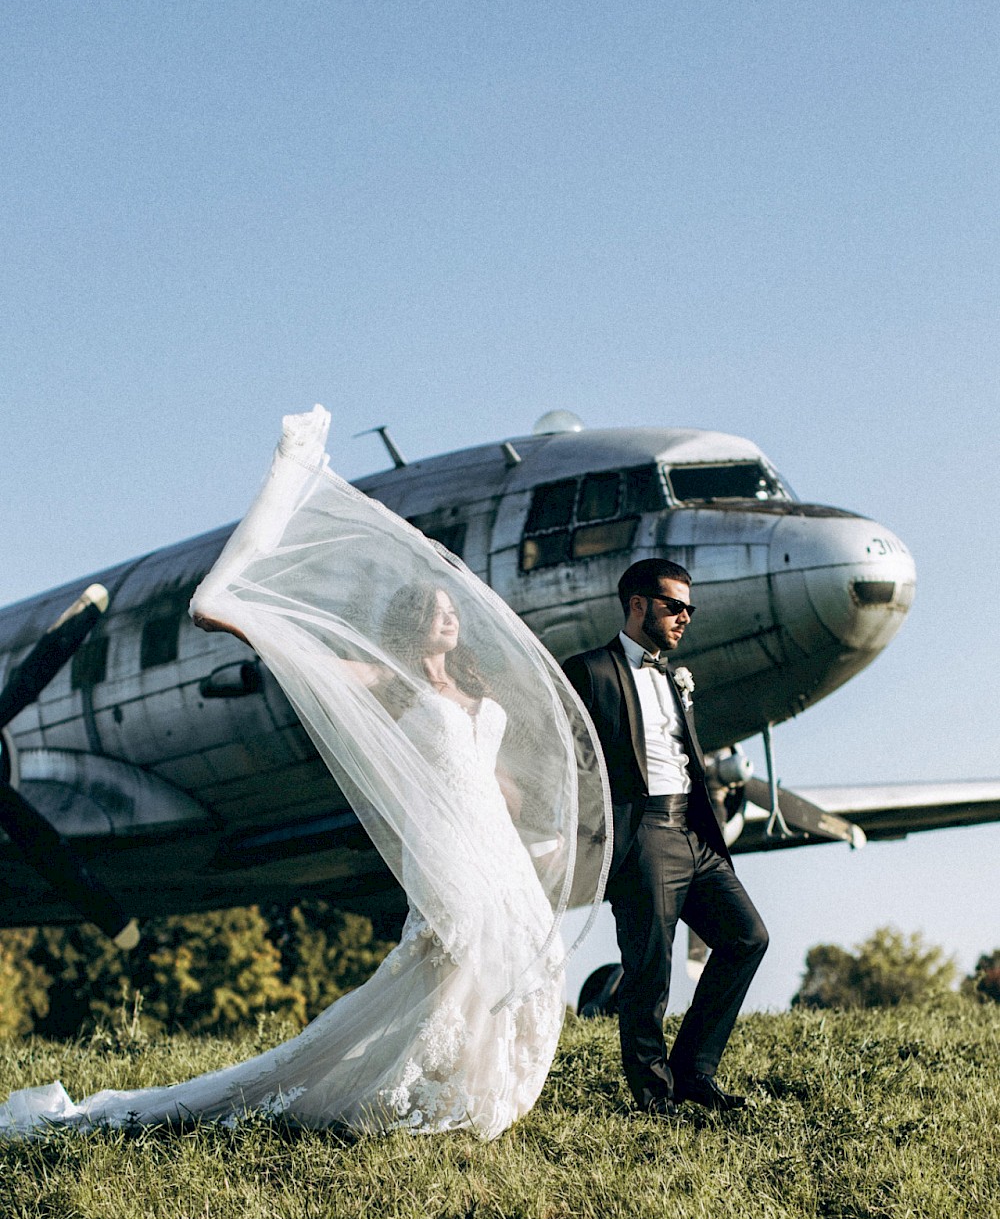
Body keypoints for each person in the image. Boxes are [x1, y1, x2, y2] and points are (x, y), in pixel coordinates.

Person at [0, 409, 610, 1141]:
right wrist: (254, 573)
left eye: (455, 610)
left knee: (515, 963)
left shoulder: (475, 694)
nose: (451, 616)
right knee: (449, 956)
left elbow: (490, 779)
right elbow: (239, 627)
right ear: (412, 623)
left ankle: (467, 1088)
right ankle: (355, 1087)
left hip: (495, 846)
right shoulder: (385, 681)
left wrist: (542, 830)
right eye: (437, 609)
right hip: (445, 846)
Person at [563, 558, 768, 1115]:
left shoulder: (677, 675)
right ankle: (655, 1096)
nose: (685, 617)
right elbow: (562, 756)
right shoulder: (588, 671)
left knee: (747, 938)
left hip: (692, 830)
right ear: (637, 605)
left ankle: (695, 1072)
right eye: (675, 606)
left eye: (689, 608)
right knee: (650, 967)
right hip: (642, 830)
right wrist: (596, 831)